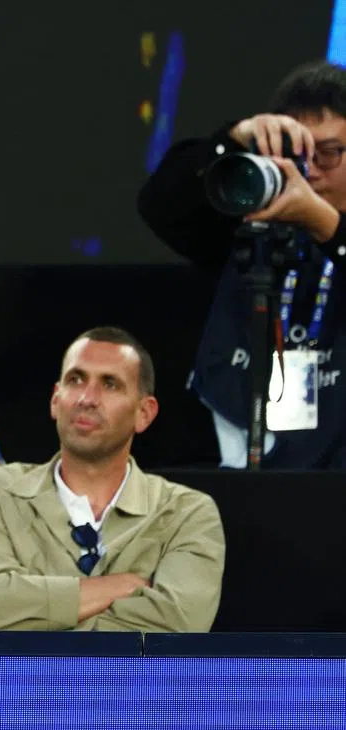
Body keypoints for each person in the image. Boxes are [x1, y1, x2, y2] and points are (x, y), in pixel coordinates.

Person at [0, 327, 225, 632]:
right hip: (20, 683)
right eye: (75, 380)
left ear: (145, 412)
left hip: (132, 683)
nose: (87, 398)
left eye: (110, 384)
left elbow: (180, 626)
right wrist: (119, 587)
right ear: (55, 399)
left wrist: (33, 617)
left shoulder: (188, 513)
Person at [138, 60, 346, 469]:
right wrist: (233, 139)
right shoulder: (252, 225)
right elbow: (159, 204)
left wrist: (321, 222)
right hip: (236, 443)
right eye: (298, 152)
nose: (311, 169)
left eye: (330, 153)